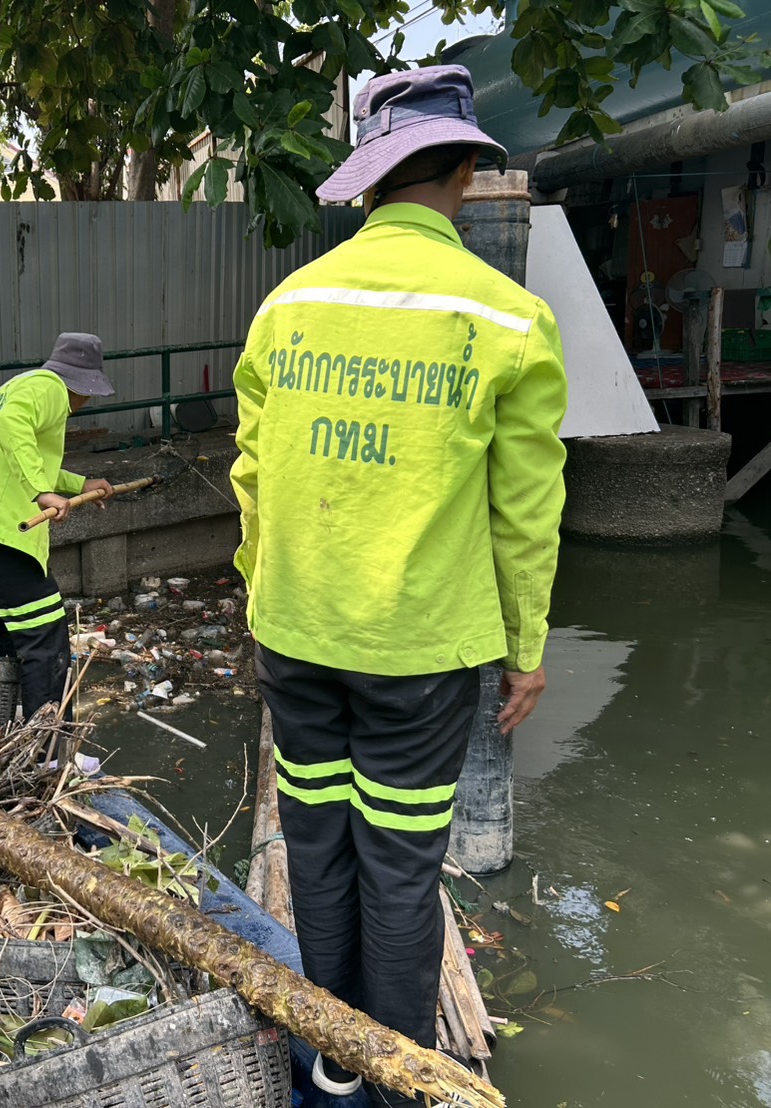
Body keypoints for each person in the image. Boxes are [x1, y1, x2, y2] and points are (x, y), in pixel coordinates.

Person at [229, 65, 568, 1106]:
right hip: (419, 657)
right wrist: (524, 648)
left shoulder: (288, 305)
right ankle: (396, 1070)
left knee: (317, 843)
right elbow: (524, 512)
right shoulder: (508, 317)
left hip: (295, 635)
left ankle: (332, 1060)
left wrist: (263, 598)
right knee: (399, 864)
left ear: (369, 178)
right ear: (465, 171)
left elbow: (252, 476)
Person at [0, 332, 115, 718]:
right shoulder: (49, 388)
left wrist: (79, 484)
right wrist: (41, 492)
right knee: (45, 634)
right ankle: (45, 743)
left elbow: (19, 455)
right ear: (81, 385)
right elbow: (14, 429)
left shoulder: (19, 387)